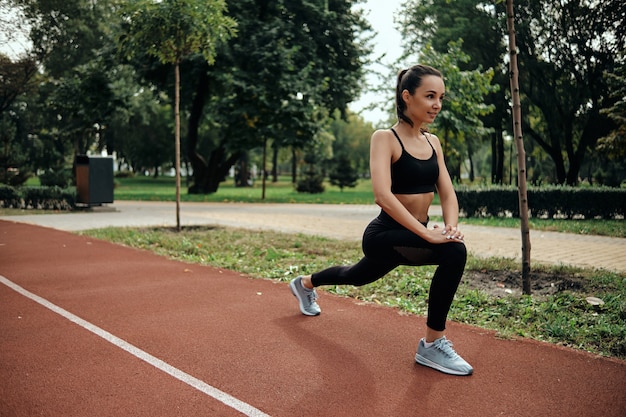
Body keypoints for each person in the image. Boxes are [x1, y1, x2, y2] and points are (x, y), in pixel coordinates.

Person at [289, 64, 473, 376]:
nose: (437, 104)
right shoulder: (384, 138)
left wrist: (450, 226)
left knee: (356, 275)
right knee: (454, 253)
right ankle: (432, 345)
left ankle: (305, 283)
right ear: (407, 96)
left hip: (413, 233)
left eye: (441, 97)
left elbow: (448, 193)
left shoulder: (433, 142)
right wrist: (428, 235)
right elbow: (382, 195)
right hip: (384, 234)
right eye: (430, 96)